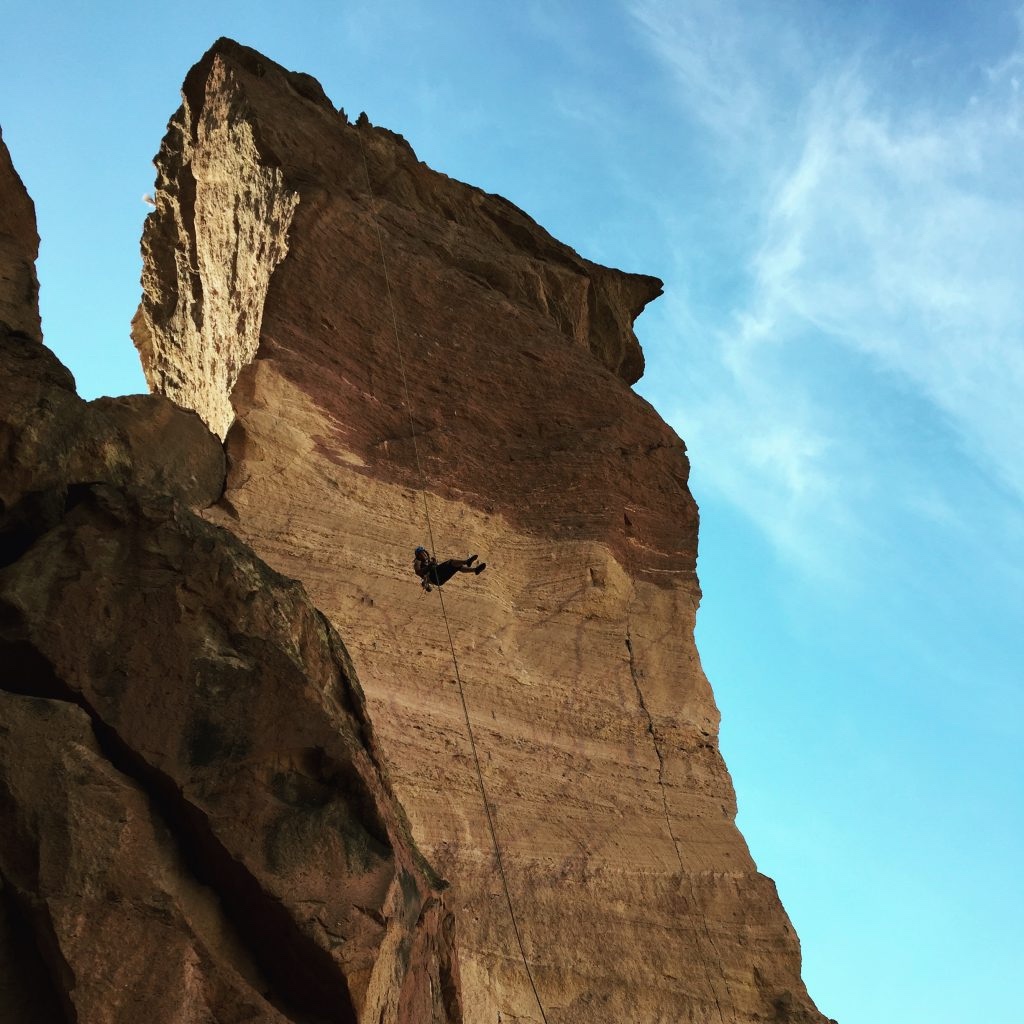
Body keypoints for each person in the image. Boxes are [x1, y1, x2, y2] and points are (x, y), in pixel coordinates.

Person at [413, 546, 486, 592]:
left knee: (456, 567)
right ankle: (467, 562)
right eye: (421, 554)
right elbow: (418, 572)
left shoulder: (429, 562)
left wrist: (433, 564)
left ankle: (475, 570)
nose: (423, 555)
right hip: (433, 577)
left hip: (439, 580)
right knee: (450, 562)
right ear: (418, 556)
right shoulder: (418, 561)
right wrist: (430, 566)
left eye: (424, 553)